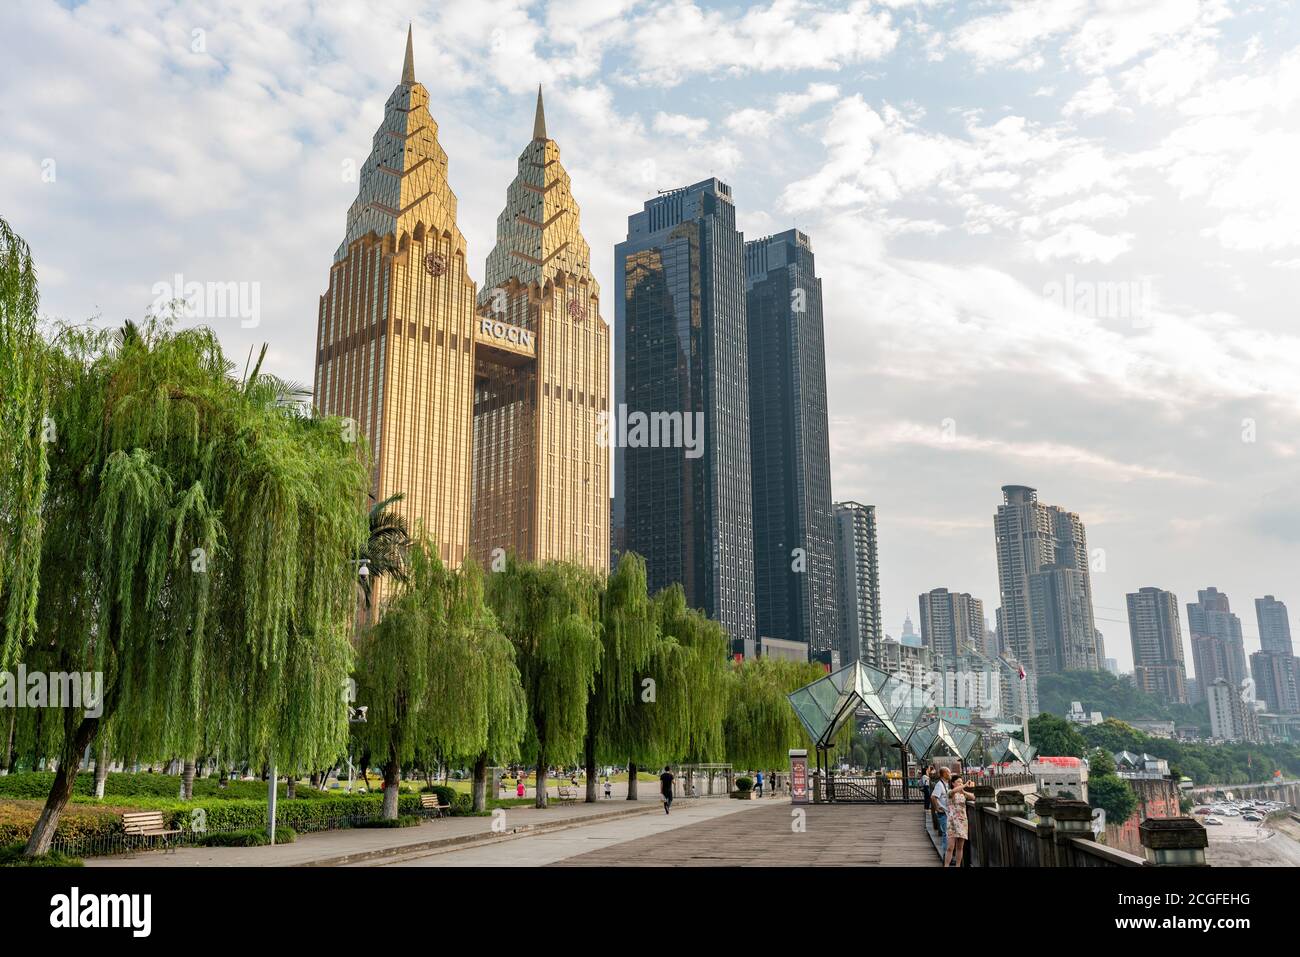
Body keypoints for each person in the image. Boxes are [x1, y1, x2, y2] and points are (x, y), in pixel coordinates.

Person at [943, 774, 971, 867]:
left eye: (961, 782)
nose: (960, 783)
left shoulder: (962, 794)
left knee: (960, 847)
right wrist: (965, 785)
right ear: (953, 783)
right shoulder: (950, 792)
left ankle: (958, 866)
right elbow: (954, 791)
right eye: (958, 782)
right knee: (950, 847)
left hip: (962, 821)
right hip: (952, 822)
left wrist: (964, 791)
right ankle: (946, 865)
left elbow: (974, 797)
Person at [931, 767, 950, 861]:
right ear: (944, 774)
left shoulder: (944, 784)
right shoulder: (939, 785)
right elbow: (933, 797)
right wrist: (937, 809)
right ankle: (945, 856)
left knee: (946, 834)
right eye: (948, 772)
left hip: (946, 813)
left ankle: (947, 856)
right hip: (943, 814)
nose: (950, 774)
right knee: (945, 834)